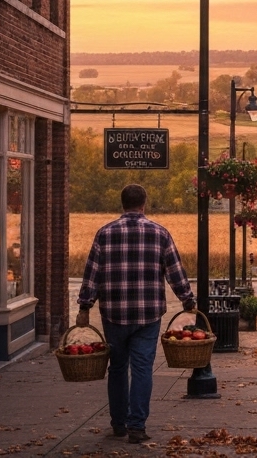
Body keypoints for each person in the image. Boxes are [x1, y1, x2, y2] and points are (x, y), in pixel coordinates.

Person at [76, 184, 196, 445]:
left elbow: (92, 274)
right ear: (144, 204)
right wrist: (187, 300)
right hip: (147, 314)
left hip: (114, 313)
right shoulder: (159, 233)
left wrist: (84, 306)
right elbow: (175, 271)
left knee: (117, 367)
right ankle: (137, 426)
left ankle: (118, 423)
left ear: (123, 205)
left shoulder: (105, 234)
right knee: (142, 368)